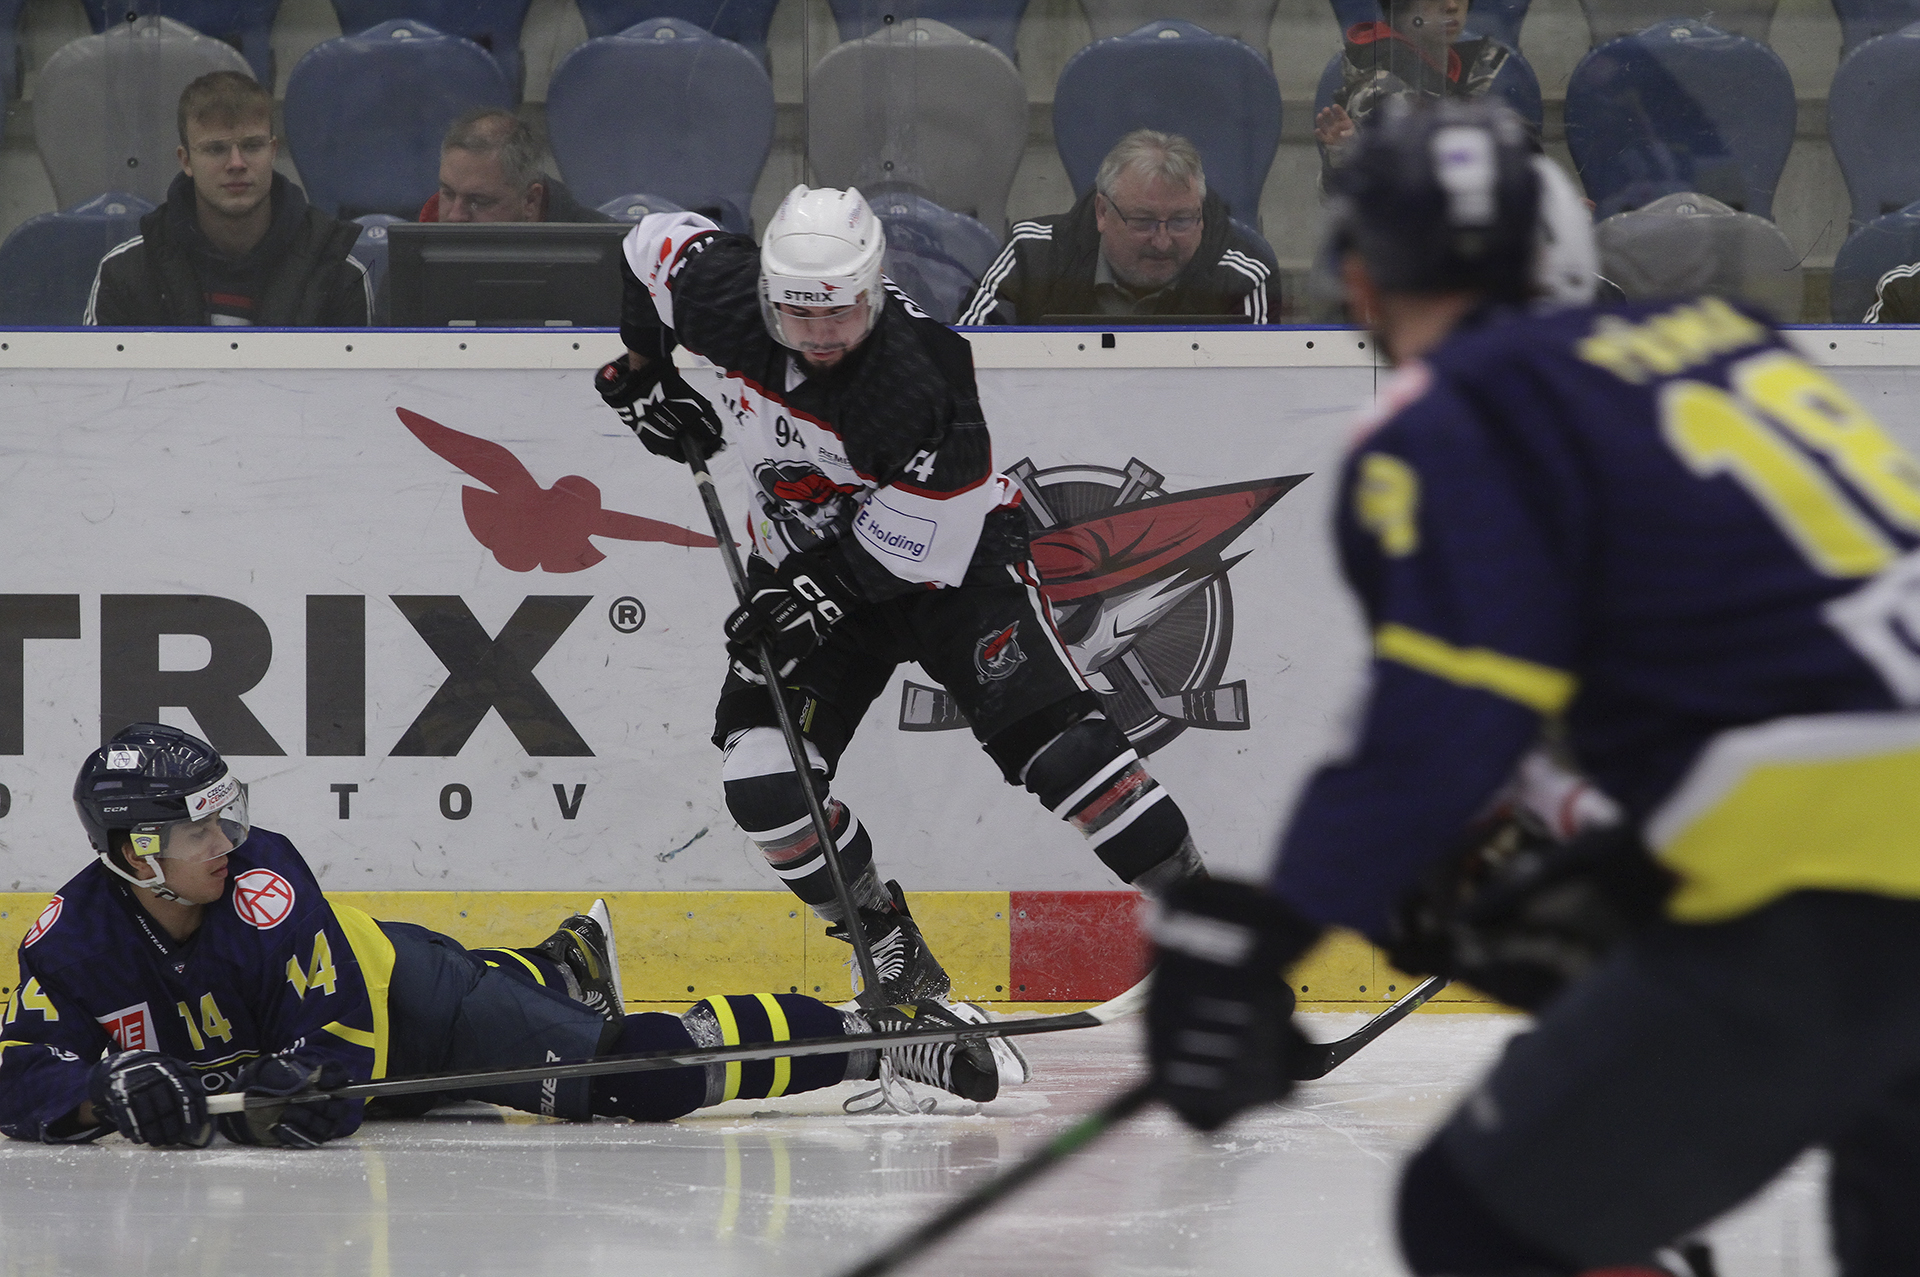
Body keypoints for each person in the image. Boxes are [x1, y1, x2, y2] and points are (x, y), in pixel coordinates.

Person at [1146, 97, 1920, 1275]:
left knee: (1472, 1217)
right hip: (1856, 855)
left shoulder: (1455, 411)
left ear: (1362, 281)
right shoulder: (1727, 346)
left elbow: (1448, 720)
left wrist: (1265, 932)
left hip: (1835, 888)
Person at [595, 185, 1206, 1006]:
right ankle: (886, 941)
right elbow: (647, 247)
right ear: (768, 294)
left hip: (952, 573)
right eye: (799, 315)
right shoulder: (721, 296)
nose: (821, 337)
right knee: (765, 786)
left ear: (874, 290)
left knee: (1067, 755)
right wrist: (646, 372)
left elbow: (921, 539)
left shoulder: (921, 376)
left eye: (841, 315)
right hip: (806, 564)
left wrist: (814, 593)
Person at [0, 723, 1000, 1148]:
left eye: (227, 816)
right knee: (531, 1006)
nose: (227, 841)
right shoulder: (69, 940)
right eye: (197, 831)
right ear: (134, 851)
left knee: (639, 1076)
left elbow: (332, 1072)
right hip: (367, 1026)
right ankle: (561, 964)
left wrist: (256, 1106)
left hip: (411, 1009)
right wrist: (100, 1090)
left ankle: (873, 1034)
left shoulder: (266, 882)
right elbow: (16, 1074)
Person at [84, 72, 370, 327]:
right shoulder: (124, 273)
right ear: (186, 161)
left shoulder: (338, 270)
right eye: (215, 149)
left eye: (252, 146)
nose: (236, 163)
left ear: (272, 152)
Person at [957, 130, 1282, 325]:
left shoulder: (1243, 275)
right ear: (1102, 212)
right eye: (1143, 221)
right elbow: (967, 358)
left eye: (1181, 221)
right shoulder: (1030, 255)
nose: (1162, 242)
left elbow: (1256, 392)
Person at [1314, 0, 1514, 182]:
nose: (1452, 5)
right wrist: (1344, 156)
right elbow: (1359, 196)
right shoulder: (1382, 90)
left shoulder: (1482, 68)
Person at [415, 108, 612, 224]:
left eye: (479, 200)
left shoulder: (609, 257)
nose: (455, 216)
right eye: (448, 194)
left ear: (530, 200)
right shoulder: (411, 252)